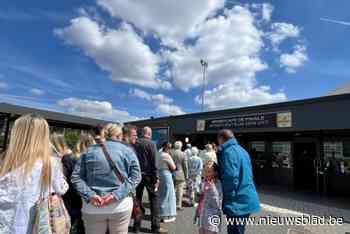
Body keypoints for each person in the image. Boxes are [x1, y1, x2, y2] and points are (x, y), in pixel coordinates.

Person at [0, 114, 68, 234]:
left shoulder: (5, 161)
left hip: (7, 224)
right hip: (38, 225)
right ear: (44, 136)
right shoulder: (51, 163)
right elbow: (61, 189)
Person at [71, 123, 141, 234]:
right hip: (121, 204)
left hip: (93, 206)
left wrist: (90, 195)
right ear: (119, 135)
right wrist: (116, 195)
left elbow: (76, 177)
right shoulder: (128, 151)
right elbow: (136, 177)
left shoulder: (88, 150)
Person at [217, 129, 260, 234]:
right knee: (240, 230)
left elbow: (230, 177)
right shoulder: (243, 150)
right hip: (247, 197)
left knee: (235, 231)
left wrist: (229, 200)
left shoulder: (228, 152)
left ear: (221, 139)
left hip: (237, 202)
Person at [132, 126, 166, 234]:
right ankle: (155, 227)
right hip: (149, 176)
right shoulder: (151, 144)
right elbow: (154, 162)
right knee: (154, 201)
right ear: (149, 134)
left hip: (137, 175)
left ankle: (136, 227)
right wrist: (156, 178)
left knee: (137, 200)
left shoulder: (135, 143)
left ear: (142, 133)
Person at [51, 132, 85, 234]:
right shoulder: (69, 157)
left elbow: (73, 181)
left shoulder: (68, 159)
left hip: (70, 201)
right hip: (71, 200)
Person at [194, 161, 222, 234]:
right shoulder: (203, 182)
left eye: (209, 171)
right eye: (205, 171)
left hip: (212, 216)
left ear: (215, 173)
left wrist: (212, 189)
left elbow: (218, 204)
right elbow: (198, 200)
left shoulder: (217, 184)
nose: (206, 174)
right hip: (202, 215)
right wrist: (197, 193)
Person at [158, 142, 177, 223]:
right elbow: (173, 167)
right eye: (170, 147)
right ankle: (167, 216)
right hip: (166, 174)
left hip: (159, 174)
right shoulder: (166, 155)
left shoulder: (158, 154)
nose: (170, 149)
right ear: (167, 147)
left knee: (161, 194)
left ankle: (160, 213)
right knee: (168, 195)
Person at [172, 141, 188, 211]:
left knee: (172, 190)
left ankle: (171, 204)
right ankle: (178, 205)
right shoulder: (183, 154)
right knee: (179, 190)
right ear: (180, 146)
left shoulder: (170, 153)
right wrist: (186, 175)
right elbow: (185, 166)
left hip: (172, 173)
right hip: (180, 174)